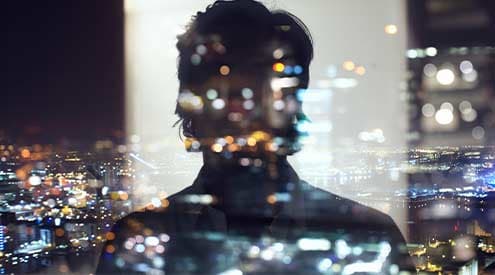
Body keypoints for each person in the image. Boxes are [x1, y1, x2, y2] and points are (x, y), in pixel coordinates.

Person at [96, 1, 413, 274]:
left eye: (262, 96)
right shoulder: (368, 239)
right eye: (230, 96)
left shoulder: (142, 243)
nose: (243, 118)